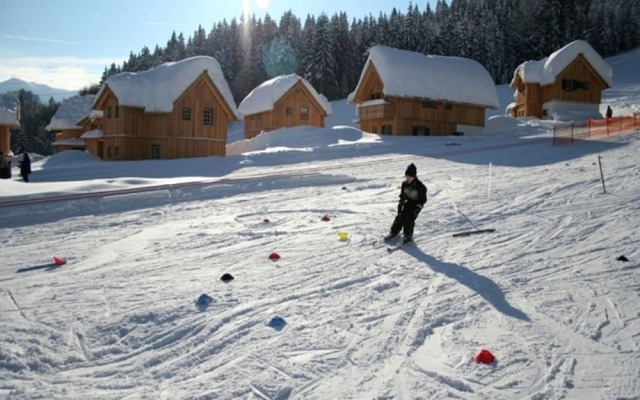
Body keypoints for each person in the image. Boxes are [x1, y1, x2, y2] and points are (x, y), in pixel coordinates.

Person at [384, 163, 428, 244]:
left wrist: (418, 208)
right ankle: (394, 232)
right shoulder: (404, 184)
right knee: (400, 216)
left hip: (416, 205)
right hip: (408, 203)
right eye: (406, 176)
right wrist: (400, 204)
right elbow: (402, 196)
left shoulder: (420, 186)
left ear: (413, 176)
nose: (407, 178)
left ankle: (408, 236)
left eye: (409, 177)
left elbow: (423, 200)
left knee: (409, 218)